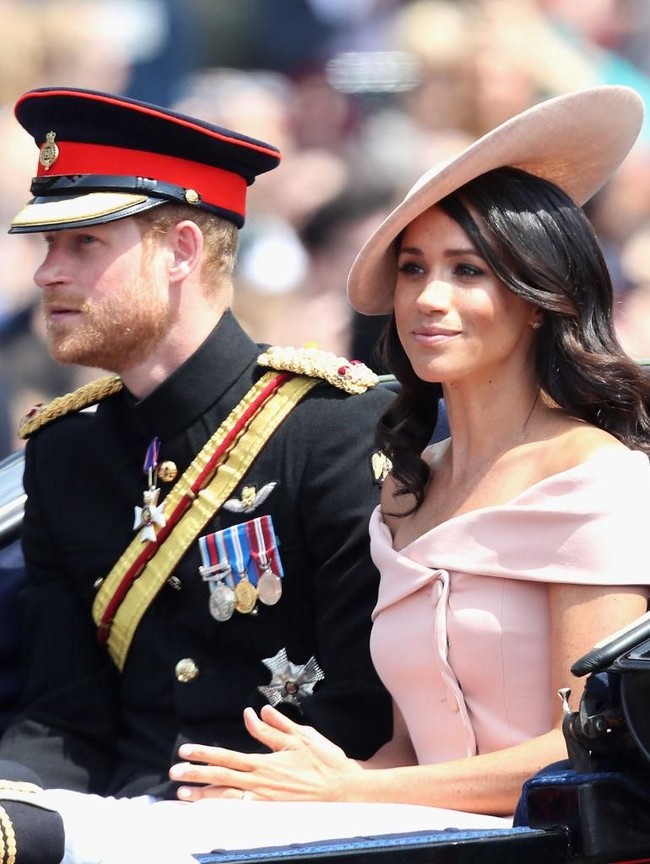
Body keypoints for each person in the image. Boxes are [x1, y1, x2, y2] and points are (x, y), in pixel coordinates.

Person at [164, 85, 650, 819]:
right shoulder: (406, 490)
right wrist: (275, 796)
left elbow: (587, 743)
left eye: (467, 271)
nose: (427, 298)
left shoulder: (594, 478)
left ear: (539, 296)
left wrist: (351, 788)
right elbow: (413, 753)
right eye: (414, 268)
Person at [0, 85, 393, 808]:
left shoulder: (333, 427)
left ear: (181, 251)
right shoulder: (67, 452)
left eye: (83, 242)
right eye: (50, 244)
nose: (47, 272)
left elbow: (366, 715)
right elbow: (63, 721)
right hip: (119, 825)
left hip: (296, 828)